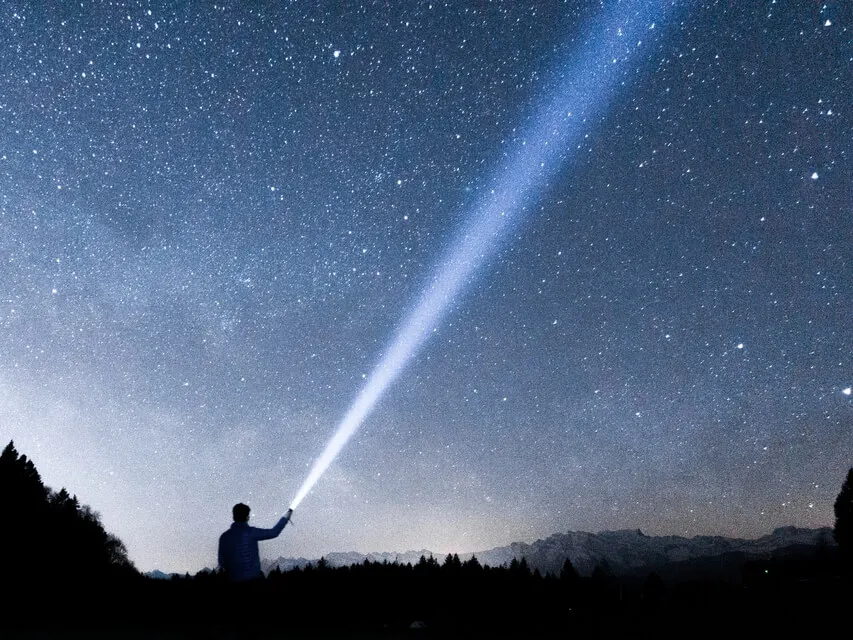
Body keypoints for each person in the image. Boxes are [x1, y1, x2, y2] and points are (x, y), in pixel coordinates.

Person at [218, 503, 292, 581]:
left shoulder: (224, 537)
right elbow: (274, 532)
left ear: (233, 516)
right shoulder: (251, 532)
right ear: (247, 517)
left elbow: (221, 562)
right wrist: (286, 516)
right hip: (253, 582)